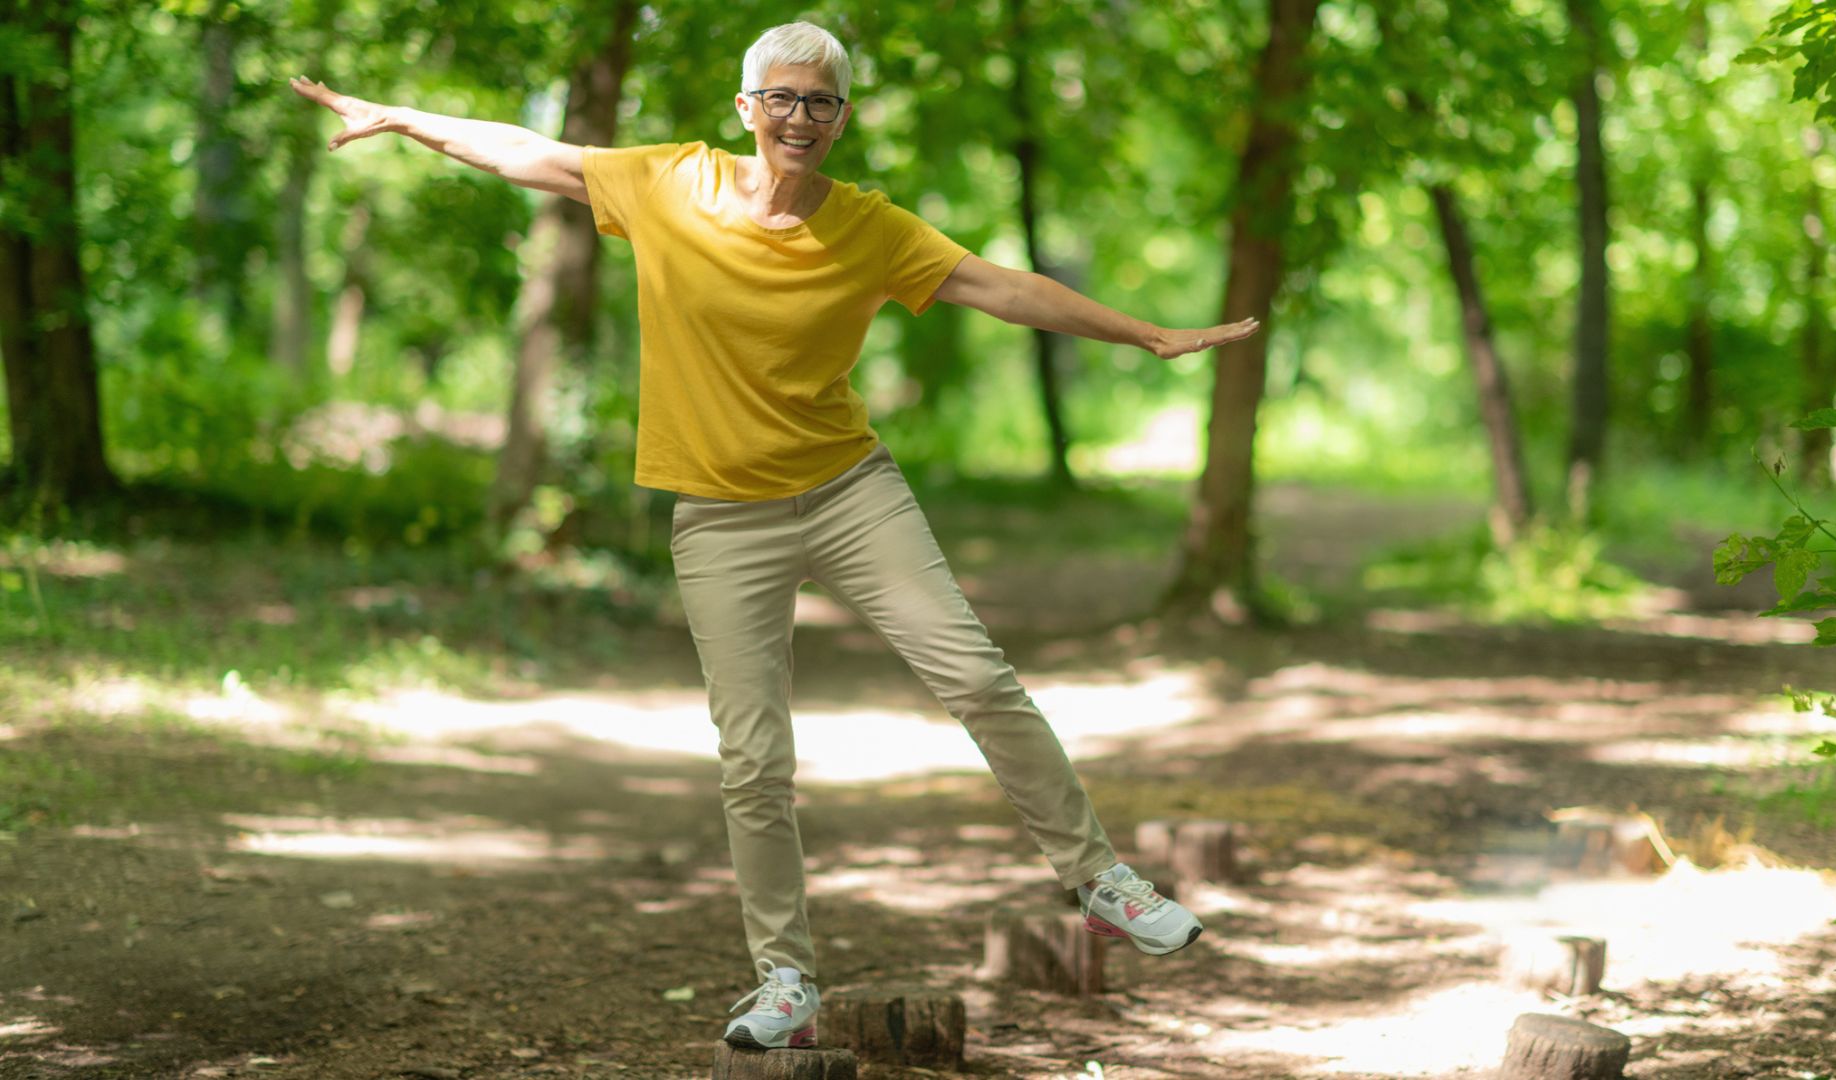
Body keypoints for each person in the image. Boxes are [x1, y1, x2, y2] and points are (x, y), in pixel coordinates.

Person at [291, 19, 1258, 1054]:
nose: (801, 118)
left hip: (849, 491)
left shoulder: (872, 229)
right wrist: (400, 119)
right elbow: (533, 154)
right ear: (748, 109)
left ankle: (1099, 878)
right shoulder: (673, 184)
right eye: (784, 99)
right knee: (754, 760)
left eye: (823, 102)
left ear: (842, 120)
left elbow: (998, 287)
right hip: (718, 515)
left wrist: (1145, 332)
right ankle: (785, 977)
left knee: (978, 677)